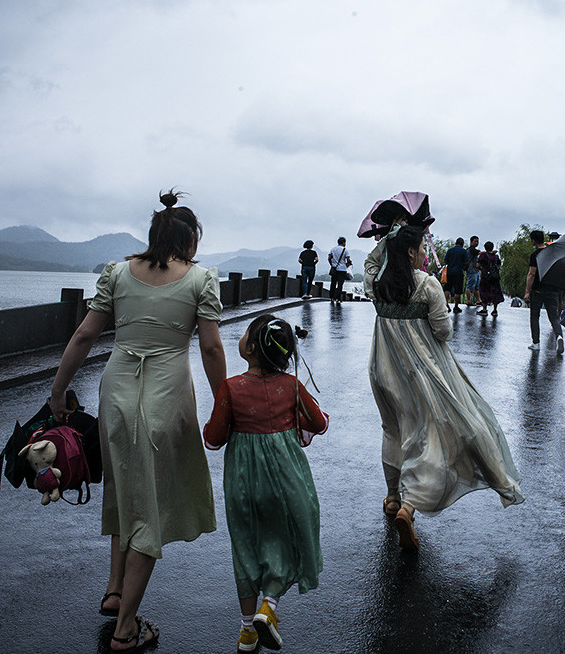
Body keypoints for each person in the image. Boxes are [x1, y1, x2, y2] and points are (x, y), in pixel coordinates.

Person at [49, 190, 226, 652]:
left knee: (125, 487)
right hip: (167, 396)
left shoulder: (116, 273)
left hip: (118, 392)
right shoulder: (202, 280)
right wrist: (224, 403)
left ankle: (113, 589)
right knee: (151, 505)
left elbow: (85, 334)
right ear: (190, 240)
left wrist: (56, 391)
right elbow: (209, 348)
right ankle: (126, 629)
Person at [365, 225, 524, 550]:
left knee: (392, 430)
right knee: (430, 437)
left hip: (382, 370)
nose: (425, 252)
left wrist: (388, 240)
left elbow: (371, 263)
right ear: (411, 252)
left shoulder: (376, 285)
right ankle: (409, 508)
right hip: (419, 373)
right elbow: (443, 331)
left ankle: (393, 497)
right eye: (422, 247)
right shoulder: (426, 285)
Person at [203, 315, 327, 653]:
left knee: (245, 547)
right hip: (285, 481)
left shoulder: (231, 388)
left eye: (245, 335)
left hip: (243, 483)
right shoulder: (290, 386)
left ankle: (246, 632)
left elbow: (213, 438)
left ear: (253, 347)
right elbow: (318, 423)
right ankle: (268, 606)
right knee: (285, 539)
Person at [524, 230, 564, 354]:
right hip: (552, 290)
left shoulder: (535, 255)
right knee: (554, 317)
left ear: (533, 241)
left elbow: (532, 274)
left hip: (538, 290)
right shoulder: (552, 253)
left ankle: (536, 343)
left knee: (534, 316)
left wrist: (527, 292)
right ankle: (559, 336)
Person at [476, 241, 503, 316]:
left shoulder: (483, 255)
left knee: (484, 292)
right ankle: (495, 310)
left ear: (485, 247)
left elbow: (478, 265)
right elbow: (499, 267)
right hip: (494, 278)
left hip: (485, 277)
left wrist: (483, 269)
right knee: (495, 292)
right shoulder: (496, 256)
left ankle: (484, 309)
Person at [444, 237, 469, 313]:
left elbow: (445, 260)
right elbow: (466, 262)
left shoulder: (450, 250)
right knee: (457, 290)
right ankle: (456, 307)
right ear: (462, 244)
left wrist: (451, 263)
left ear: (455, 243)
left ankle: (446, 305)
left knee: (447, 288)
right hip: (458, 272)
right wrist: (464, 267)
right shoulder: (464, 251)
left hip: (450, 272)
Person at [328, 237, 352, 304]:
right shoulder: (345, 250)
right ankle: (338, 299)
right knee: (340, 284)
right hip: (342, 269)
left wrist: (332, 264)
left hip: (334, 269)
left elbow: (329, 258)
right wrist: (348, 264)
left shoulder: (333, 249)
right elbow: (348, 260)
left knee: (333, 283)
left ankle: (332, 297)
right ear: (344, 242)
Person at [465, 235, 481, 306]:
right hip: (471, 270)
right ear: (471, 242)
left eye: (477, 241)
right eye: (475, 241)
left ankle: (478, 300)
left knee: (477, 287)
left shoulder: (473, 249)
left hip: (476, 271)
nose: (476, 243)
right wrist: (489, 252)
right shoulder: (471, 249)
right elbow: (479, 253)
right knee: (470, 286)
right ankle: (469, 301)